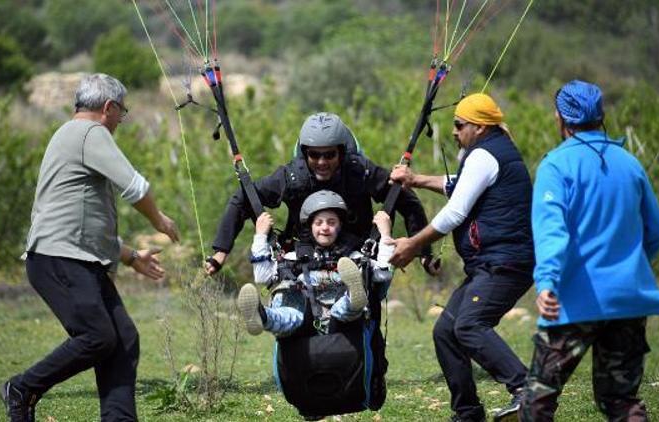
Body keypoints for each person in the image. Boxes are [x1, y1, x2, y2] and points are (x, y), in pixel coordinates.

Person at [0, 73, 180, 422]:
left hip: (72, 258)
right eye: (122, 114)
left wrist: (129, 257)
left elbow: (84, 220)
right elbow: (134, 187)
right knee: (97, 336)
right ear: (108, 108)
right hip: (58, 259)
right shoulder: (89, 132)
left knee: (123, 339)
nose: (120, 122)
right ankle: (22, 388)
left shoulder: (70, 135)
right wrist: (159, 220)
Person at [518, 80, 659, 422]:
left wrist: (546, 282)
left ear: (560, 117)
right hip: (629, 300)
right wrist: (631, 267)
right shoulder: (630, 163)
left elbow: (551, 233)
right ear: (601, 115)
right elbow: (658, 230)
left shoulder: (555, 166)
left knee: (537, 400)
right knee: (620, 400)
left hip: (573, 302)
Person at [388, 93, 534, 422]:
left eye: (459, 125)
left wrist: (412, 244)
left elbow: (455, 212)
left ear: (479, 128)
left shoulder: (484, 155)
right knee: (446, 331)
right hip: (492, 264)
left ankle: (527, 391)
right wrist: (415, 180)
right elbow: (459, 184)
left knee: (468, 325)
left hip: (504, 263)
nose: (454, 131)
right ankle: (468, 413)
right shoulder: (490, 151)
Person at [205, 112, 434, 275]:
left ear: (341, 153)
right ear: (305, 154)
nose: (322, 162)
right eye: (314, 155)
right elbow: (243, 198)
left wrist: (423, 251)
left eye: (329, 155)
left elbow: (405, 198)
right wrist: (220, 252)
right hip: (303, 258)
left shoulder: (360, 171)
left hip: (357, 256)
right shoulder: (293, 175)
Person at [236, 190, 395, 337]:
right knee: (288, 316)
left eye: (331, 222)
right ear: (310, 227)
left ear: (340, 225)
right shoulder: (293, 257)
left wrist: (385, 234)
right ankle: (261, 316)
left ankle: (354, 297)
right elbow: (262, 277)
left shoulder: (354, 258)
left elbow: (383, 273)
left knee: (343, 308)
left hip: (341, 324)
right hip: (303, 321)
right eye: (319, 223)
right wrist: (260, 236)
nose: (325, 227)